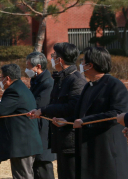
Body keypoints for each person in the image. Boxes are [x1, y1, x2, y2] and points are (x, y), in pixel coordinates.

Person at [52, 46, 128, 178]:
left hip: (107, 151)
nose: (80, 65)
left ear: (90, 65)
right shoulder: (88, 86)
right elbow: (80, 115)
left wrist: (84, 121)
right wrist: (66, 122)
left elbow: (117, 113)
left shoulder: (114, 85)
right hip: (88, 150)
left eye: (82, 62)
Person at [28, 42, 85, 179]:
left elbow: (73, 107)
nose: (52, 58)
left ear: (60, 60)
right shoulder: (61, 79)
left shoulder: (76, 80)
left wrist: (43, 110)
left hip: (71, 139)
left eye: (54, 56)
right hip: (60, 138)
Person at [0, 64, 43, 179]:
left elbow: (0, 109)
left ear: (7, 78)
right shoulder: (20, 87)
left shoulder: (13, 91)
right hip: (25, 142)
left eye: (1, 78)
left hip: (22, 144)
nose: (0, 80)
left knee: (22, 176)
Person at [24, 52, 56, 179]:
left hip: (43, 129)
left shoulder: (48, 83)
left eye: (28, 66)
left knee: (43, 166)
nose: (26, 69)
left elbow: (39, 105)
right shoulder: (36, 80)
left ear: (38, 66)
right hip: (35, 128)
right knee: (36, 167)